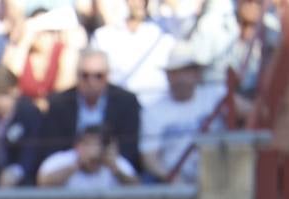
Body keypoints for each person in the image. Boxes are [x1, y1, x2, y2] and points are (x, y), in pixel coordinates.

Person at [19, 47, 141, 183]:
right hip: (69, 170)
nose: (91, 82)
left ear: (107, 76)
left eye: (98, 76)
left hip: (111, 169)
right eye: (85, 75)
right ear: (77, 76)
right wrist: (80, 157)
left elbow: (130, 151)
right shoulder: (59, 103)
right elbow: (51, 150)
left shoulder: (126, 102)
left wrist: (106, 157)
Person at [139, 42, 225, 184]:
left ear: (197, 74)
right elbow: (149, 158)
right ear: (167, 76)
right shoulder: (153, 111)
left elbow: (247, 110)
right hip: (174, 181)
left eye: (185, 71)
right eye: (174, 73)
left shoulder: (216, 95)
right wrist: (171, 178)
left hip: (218, 176)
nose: (180, 78)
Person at [36, 122, 139, 186]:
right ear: (77, 145)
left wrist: (114, 168)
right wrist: (77, 164)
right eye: (88, 144)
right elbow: (43, 184)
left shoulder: (116, 163)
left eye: (98, 144)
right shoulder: (61, 160)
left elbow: (136, 189)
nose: (93, 149)